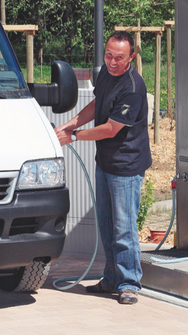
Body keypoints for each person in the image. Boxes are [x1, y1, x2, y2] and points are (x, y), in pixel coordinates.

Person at [55, 31, 152, 305]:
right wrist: (70, 123)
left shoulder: (133, 88)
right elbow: (97, 104)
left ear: (131, 57)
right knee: (107, 225)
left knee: (124, 228)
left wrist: (73, 136)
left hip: (126, 166)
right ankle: (111, 278)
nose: (111, 61)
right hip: (105, 163)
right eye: (108, 54)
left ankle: (129, 283)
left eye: (118, 57)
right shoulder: (107, 74)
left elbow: (110, 129)